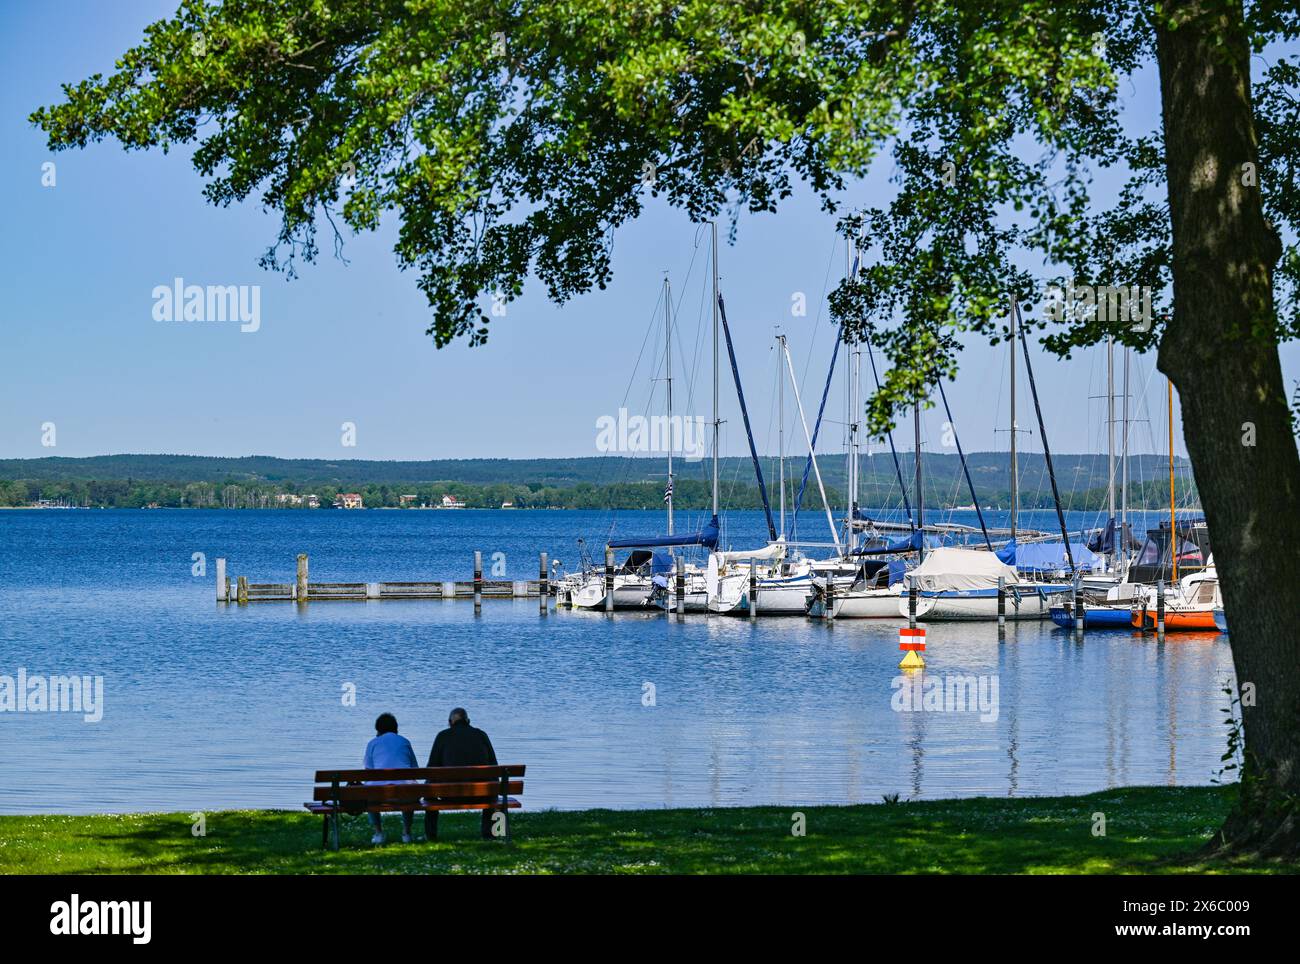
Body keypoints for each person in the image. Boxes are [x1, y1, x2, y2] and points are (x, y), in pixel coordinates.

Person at [424, 707, 499, 840]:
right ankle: (496, 833)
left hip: (449, 795)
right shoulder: (481, 735)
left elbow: (432, 769)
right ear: (468, 721)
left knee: (430, 792)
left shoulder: (442, 736)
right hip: (479, 794)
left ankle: (430, 835)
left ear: (450, 722)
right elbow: (494, 766)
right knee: (497, 795)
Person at [363, 712, 418, 844]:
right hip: (405, 795)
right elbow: (415, 769)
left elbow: (368, 771)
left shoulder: (373, 743)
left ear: (378, 729)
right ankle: (406, 832)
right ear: (396, 728)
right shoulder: (405, 742)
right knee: (410, 788)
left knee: (368, 793)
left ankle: (378, 832)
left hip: (380, 795)